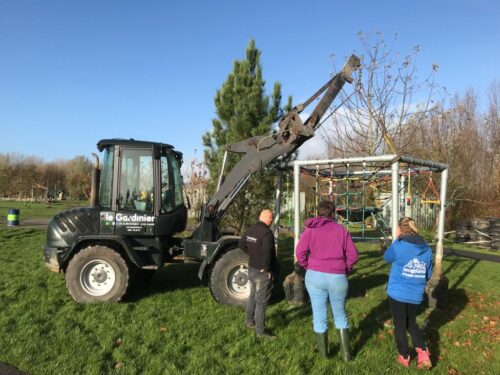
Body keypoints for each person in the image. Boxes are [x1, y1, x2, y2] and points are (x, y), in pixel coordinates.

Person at [295, 200, 358, 360]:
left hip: (315, 275)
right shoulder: (341, 230)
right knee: (340, 314)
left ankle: (324, 356)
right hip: (338, 276)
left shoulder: (310, 230)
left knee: (319, 315)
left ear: (318, 212)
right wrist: (346, 268)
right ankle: (346, 355)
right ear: (334, 212)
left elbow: (300, 252)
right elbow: (353, 255)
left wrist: (308, 266)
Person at [384, 217, 433, 369]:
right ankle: (423, 353)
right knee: (411, 323)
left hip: (397, 293)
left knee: (399, 325)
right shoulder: (427, 248)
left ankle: (404, 356)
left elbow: (387, 257)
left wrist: (395, 242)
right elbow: (428, 273)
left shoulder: (399, 246)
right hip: (416, 294)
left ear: (400, 229)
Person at [239, 209, 277, 339]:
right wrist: (267, 269)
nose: (271, 222)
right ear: (269, 219)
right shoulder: (267, 233)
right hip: (262, 272)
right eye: (271, 219)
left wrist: (253, 255)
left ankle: (249, 322)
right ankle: (261, 332)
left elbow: (242, 245)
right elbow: (268, 254)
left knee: (252, 296)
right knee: (261, 302)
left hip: (251, 268)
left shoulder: (250, 230)